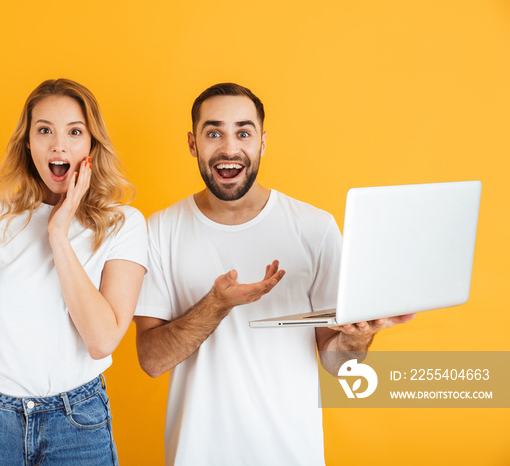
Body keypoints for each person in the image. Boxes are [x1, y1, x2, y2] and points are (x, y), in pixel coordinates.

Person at [134, 82, 414, 465]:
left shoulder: (315, 228)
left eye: (243, 133)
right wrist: (216, 304)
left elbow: (338, 365)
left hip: (291, 453)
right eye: (213, 132)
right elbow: (151, 360)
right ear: (192, 143)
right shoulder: (160, 230)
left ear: (262, 142)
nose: (230, 148)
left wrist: (357, 338)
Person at [0, 78, 147, 465]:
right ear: (28, 143)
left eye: (75, 132)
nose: (58, 145)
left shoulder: (123, 224)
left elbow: (102, 340)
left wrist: (58, 233)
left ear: (92, 146)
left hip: (77, 424)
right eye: (44, 130)